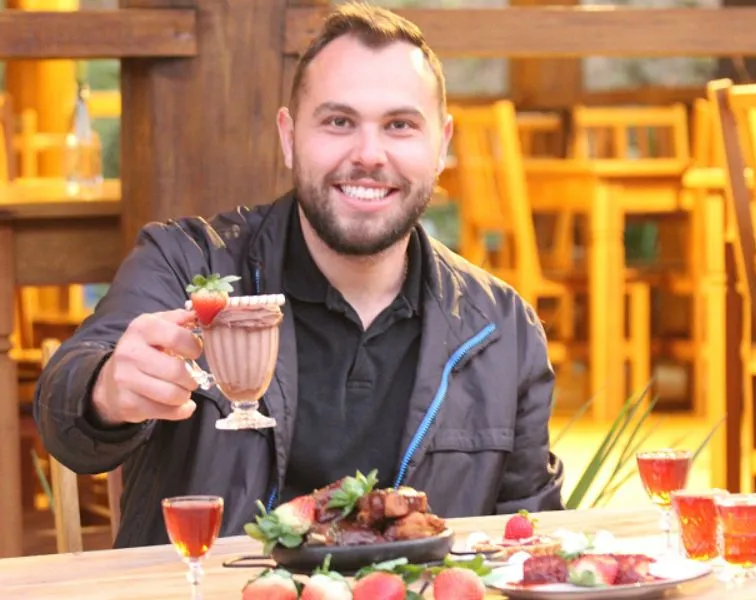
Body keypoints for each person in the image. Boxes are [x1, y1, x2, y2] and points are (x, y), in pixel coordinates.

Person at [34, 1, 565, 549]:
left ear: (440, 146)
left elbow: (527, 540)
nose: (368, 154)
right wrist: (105, 391)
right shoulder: (186, 262)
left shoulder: (503, 328)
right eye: (338, 122)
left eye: (400, 125)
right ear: (289, 137)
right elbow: (67, 416)